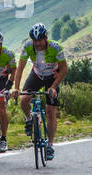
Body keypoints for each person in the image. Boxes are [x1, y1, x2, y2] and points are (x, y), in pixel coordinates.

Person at [13, 22, 67, 161]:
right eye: (35, 41)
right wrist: (16, 87)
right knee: (24, 99)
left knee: (50, 110)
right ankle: (30, 119)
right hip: (36, 74)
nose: (37, 44)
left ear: (45, 38)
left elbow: (64, 70)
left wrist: (54, 87)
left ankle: (49, 145)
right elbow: (19, 69)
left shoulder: (56, 47)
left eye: (40, 40)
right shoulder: (27, 47)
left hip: (52, 77)